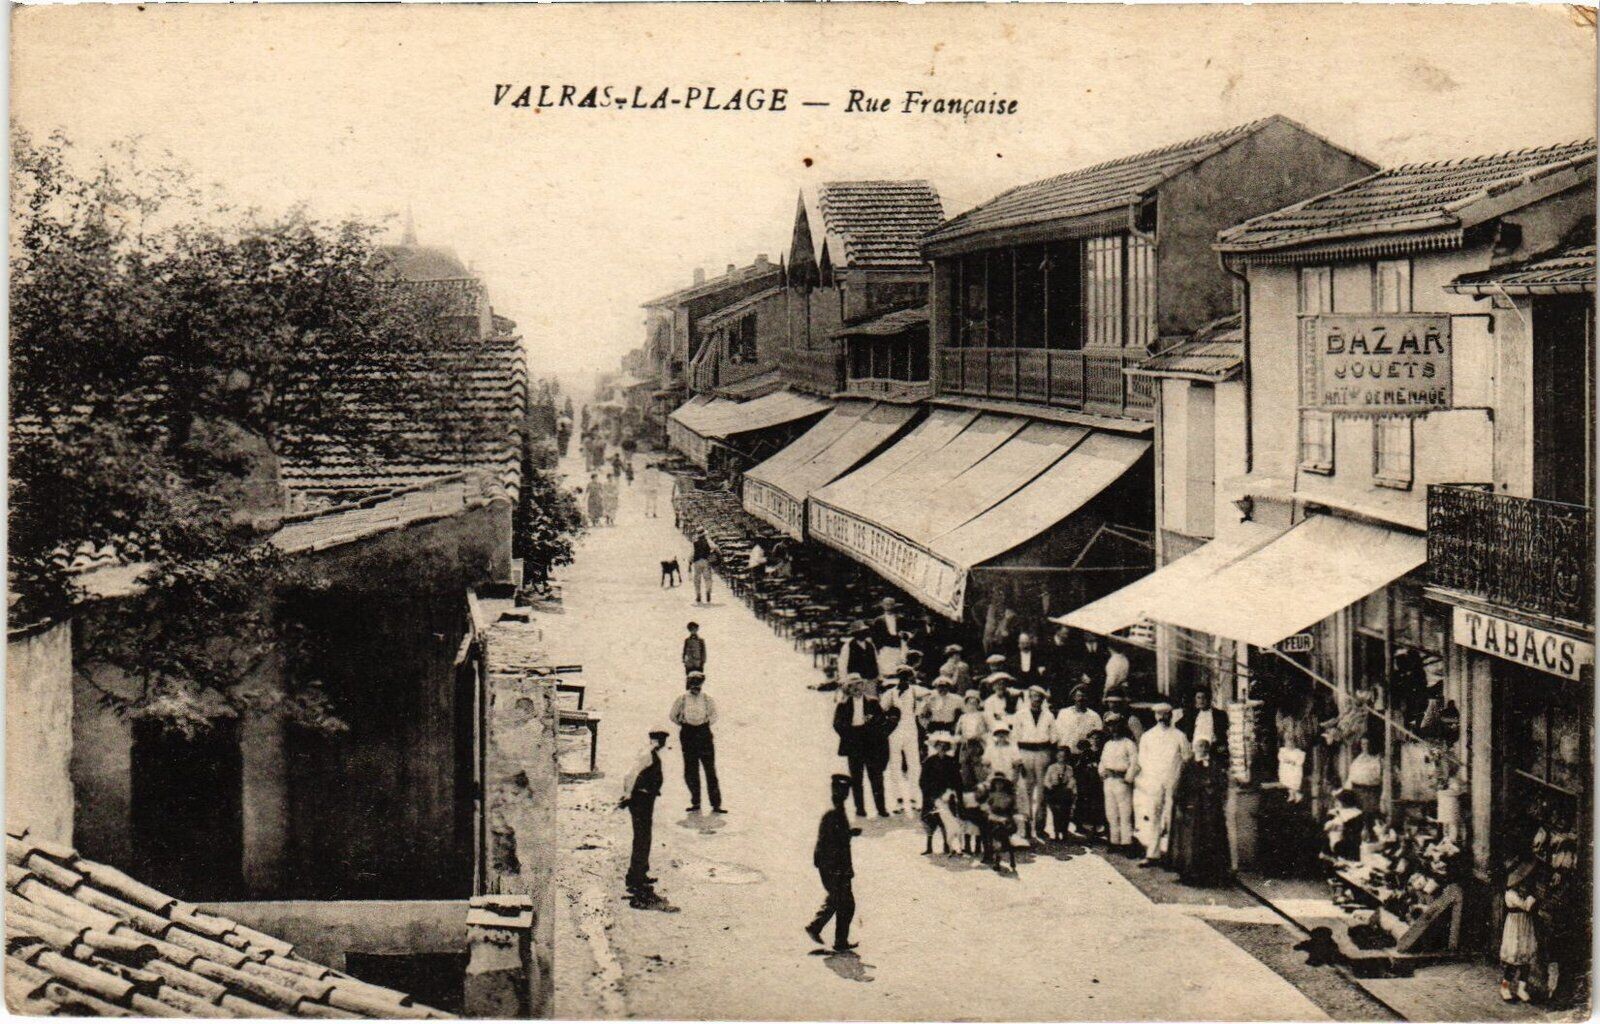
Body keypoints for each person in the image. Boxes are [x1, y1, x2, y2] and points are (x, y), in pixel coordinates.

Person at [806, 774, 861, 953]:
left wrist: (849, 833)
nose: (845, 794)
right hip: (834, 866)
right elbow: (829, 842)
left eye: (846, 791)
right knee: (844, 902)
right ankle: (817, 928)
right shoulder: (833, 812)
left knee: (840, 901)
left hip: (836, 865)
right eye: (843, 791)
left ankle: (835, 938)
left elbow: (834, 838)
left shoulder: (837, 809)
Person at [1133, 702, 1191, 866]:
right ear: (1155, 716)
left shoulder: (1179, 735)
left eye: (1165, 714)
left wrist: (1181, 779)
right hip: (1154, 782)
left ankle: (1172, 855)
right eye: (1159, 714)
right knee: (1153, 816)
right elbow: (1142, 761)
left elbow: (1187, 758)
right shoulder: (1148, 736)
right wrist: (1147, 781)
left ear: (1171, 715)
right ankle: (1153, 854)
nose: (1162, 718)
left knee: (1172, 817)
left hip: (1173, 781)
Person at [1169, 738, 1231, 886]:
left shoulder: (1214, 764)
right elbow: (1179, 787)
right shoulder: (1187, 764)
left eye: (1205, 746)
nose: (1202, 749)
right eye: (1199, 746)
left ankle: (1211, 875)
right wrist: (1182, 804)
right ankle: (1190, 874)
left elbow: (1222, 783)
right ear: (1194, 748)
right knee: (1192, 841)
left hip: (1210, 808)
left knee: (1211, 839)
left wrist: (1214, 789)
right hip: (1193, 808)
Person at [619, 729, 670, 898]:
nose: (663, 743)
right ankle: (635, 879)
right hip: (641, 800)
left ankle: (640, 873)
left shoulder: (650, 752)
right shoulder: (647, 754)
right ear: (656, 740)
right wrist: (627, 795)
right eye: (662, 740)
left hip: (646, 799)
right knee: (641, 838)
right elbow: (630, 774)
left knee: (644, 837)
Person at [832, 675, 891, 817]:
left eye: (858, 685)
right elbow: (837, 724)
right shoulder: (843, 705)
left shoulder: (873, 702)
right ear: (848, 689)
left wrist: (871, 723)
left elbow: (882, 720)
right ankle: (860, 808)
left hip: (870, 743)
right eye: (852, 686)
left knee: (876, 777)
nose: (856, 689)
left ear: (863, 686)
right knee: (856, 778)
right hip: (853, 743)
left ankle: (881, 808)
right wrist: (849, 733)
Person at [670, 672, 725, 814]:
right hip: (688, 734)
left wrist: (705, 723)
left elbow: (714, 715)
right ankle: (696, 802)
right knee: (691, 770)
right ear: (689, 684)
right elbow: (673, 715)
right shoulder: (682, 699)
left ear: (701, 684)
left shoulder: (707, 699)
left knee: (710, 770)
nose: (696, 686)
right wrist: (684, 723)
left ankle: (716, 804)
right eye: (693, 683)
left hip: (704, 734)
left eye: (698, 683)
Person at [1010, 685, 1057, 841]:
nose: (1036, 699)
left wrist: (1051, 756)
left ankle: (1040, 827)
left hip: (1043, 753)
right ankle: (1026, 827)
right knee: (1026, 791)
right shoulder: (1020, 715)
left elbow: (1054, 738)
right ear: (1029, 698)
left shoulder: (1049, 716)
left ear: (1043, 699)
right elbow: (1014, 739)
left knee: (1043, 791)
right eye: (1033, 696)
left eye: (1039, 697)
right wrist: (1018, 759)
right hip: (1025, 753)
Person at [880, 666, 927, 814]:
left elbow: (930, 695)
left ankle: (915, 797)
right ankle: (897, 798)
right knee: (895, 764)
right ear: (898, 678)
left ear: (911, 678)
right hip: (894, 732)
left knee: (914, 764)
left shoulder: (915, 691)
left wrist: (922, 707)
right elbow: (881, 709)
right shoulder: (890, 693)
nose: (904, 680)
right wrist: (889, 716)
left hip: (911, 731)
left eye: (907, 677)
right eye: (902, 677)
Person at [1098, 716, 1139, 852]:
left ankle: (1126, 843)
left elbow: (1135, 764)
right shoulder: (1108, 744)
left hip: (1122, 782)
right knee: (1111, 813)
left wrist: (1127, 778)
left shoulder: (1129, 744)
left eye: (1116, 725)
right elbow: (1102, 762)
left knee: (1125, 814)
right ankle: (1114, 842)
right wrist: (1102, 772)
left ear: (1122, 726)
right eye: (1110, 726)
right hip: (1109, 782)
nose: (1113, 729)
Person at [919, 732, 962, 856]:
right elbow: (923, 780)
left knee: (946, 820)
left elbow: (957, 780)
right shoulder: (929, 761)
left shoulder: (951, 761)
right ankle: (929, 846)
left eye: (944, 745)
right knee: (929, 820)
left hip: (946, 795)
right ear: (936, 746)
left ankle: (946, 845)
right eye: (939, 745)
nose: (942, 748)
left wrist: (954, 793)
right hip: (931, 794)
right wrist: (928, 794)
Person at [1073, 732, 1107, 841]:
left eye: (1097, 738)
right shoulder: (1086, 753)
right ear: (1090, 740)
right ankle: (1085, 827)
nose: (1095, 741)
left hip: (1099, 782)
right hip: (1088, 783)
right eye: (1093, 738)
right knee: (1086, 804)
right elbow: (1079, 768)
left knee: (1099, 804)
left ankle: (1100, 827)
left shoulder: (1103, 752)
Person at [1055, 684, 1104, 758]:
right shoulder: (1064, 713)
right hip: (1066, 755)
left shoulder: (1094, 716)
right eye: (1078, 696)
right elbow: (1057, 733)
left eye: (1084, 696)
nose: (1081, 699)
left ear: (1088, 698)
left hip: (1085, 756)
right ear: (1074, 697)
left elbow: (1097, 739)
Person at [954, 691, 989, 789]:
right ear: (966, 704)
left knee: (979, 769)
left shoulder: (982, 716)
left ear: (978, 704)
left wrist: (980, 737)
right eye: (970, 702)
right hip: (966, 746)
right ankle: (968, 788)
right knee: (965, 768)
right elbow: (957, 733)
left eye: (974, 703)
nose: (972, 705)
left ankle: (982, 789)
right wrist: (961, 738)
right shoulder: (963, 717)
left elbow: (988, 732)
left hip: (978, 745)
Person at [1177, 687, 1229, 752]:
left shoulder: (1219, 714)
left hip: (1213, 749)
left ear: (1209, 699)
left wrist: (1220, 742)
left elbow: (1225, 732)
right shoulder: (1192, 714)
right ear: (1195, 699)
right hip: (1195, 749)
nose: (1201, 700)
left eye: (1204, 697)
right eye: (1198, 698)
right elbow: (1178, 725)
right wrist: (1188, 738)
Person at [1043, 746, 1077, 841]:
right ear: (1056, 756)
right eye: (1059, 755)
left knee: (1065, 813)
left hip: (1065, 792)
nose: (1061, 758)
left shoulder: (1069, 768)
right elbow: (1046, 780)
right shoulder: (1052, 767)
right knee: (1056, 813)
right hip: (1054, 792)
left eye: (1064, 756)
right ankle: (1056, 833)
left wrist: (1069, 788)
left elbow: (1072, 780)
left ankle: (1064, 832)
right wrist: (1050, 786)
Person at [838, 622, 880, 695]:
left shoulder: (870, 645)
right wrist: (843, 679)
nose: (863, 634)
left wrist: (879, 676)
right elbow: (842, 663)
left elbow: (877, 661)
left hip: (871, 679)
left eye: (864, 631)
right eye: (861, 632)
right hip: (855, 680)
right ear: (855, 633)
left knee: (871, 699)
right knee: (857, 699)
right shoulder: (848, 646)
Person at [871, 597, 909, 677]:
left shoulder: (900, 618)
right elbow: (875, 636)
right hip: (885, 649)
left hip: (897, 648)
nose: (889, 606)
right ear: (883, 605)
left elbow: (907, 633)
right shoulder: (878, 620)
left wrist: (903, 635)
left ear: (894, 606)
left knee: (898, 669)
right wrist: (879, 648)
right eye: (886, 604)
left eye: (891, 604)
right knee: (885, 670)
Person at [690, 529, 715, 604]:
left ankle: (698, 595)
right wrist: (710, 552)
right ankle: (708, 592)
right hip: (705, 561)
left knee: (697, 579)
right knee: (708, 578)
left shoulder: (695, 542)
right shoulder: (708, 541)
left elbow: (692, 553)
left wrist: (690, 561)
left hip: (697, 561)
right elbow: (714, 547)